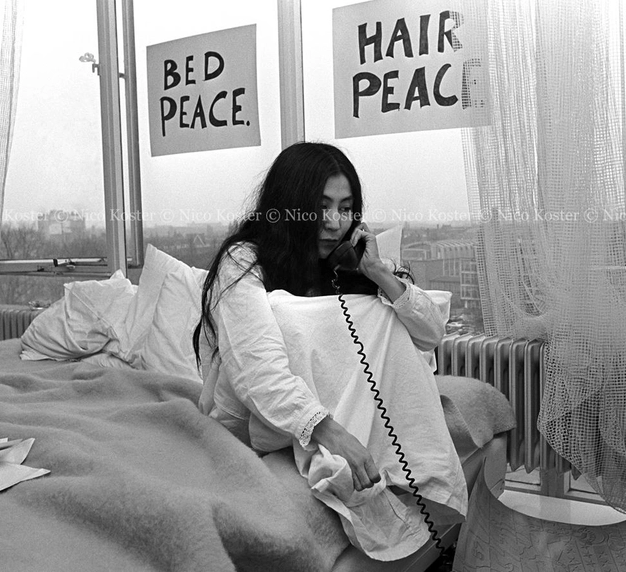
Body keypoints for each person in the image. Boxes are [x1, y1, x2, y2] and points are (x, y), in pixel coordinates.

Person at [193, 141, 452, 494]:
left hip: (335, 414)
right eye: (320, 208)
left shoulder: (347, 262)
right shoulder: (242, 261)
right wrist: (332, 434)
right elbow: (259, 371)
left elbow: (431, 333)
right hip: (255, 429)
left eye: (345, 209)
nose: (334, 223)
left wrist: (378, 273)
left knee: (381, 311)